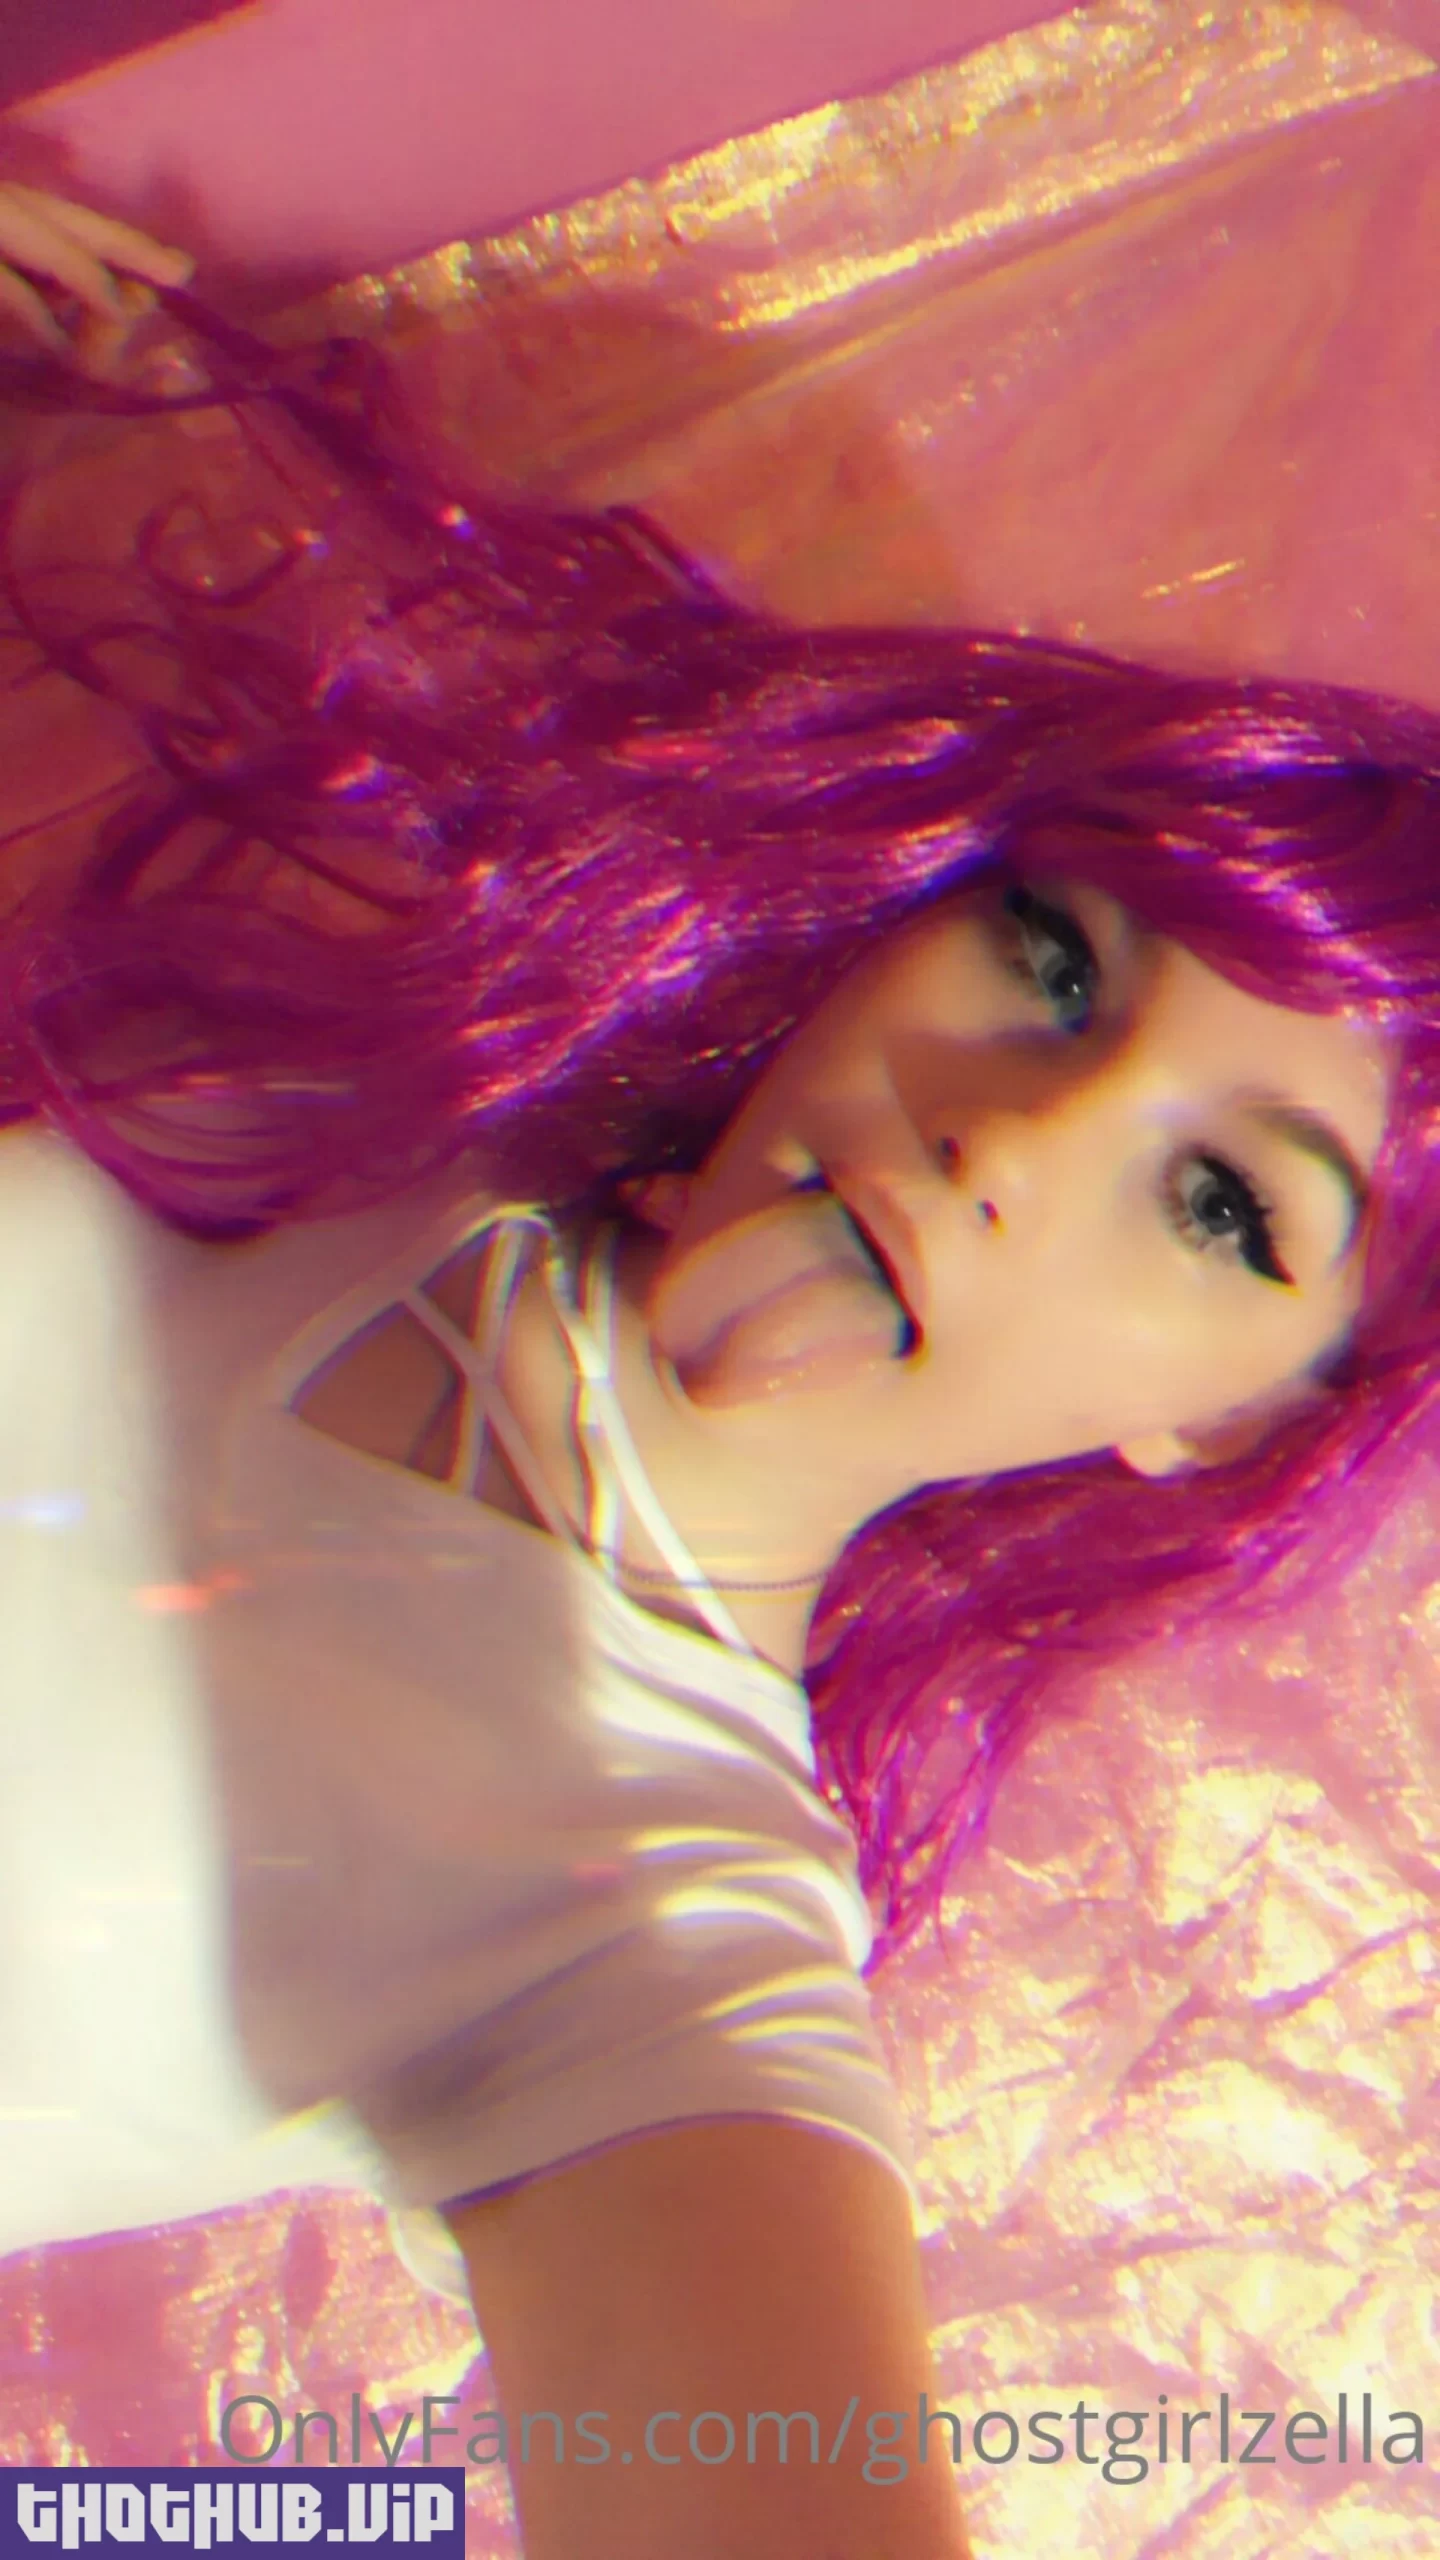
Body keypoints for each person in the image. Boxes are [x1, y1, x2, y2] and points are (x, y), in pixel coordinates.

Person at [1, 184, 1436, 2560]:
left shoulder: (655, 1930)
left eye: (1220, 1204)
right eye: (1054, 960)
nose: (1016, 1135)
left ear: (1241, 1416)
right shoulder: (363, 1102)